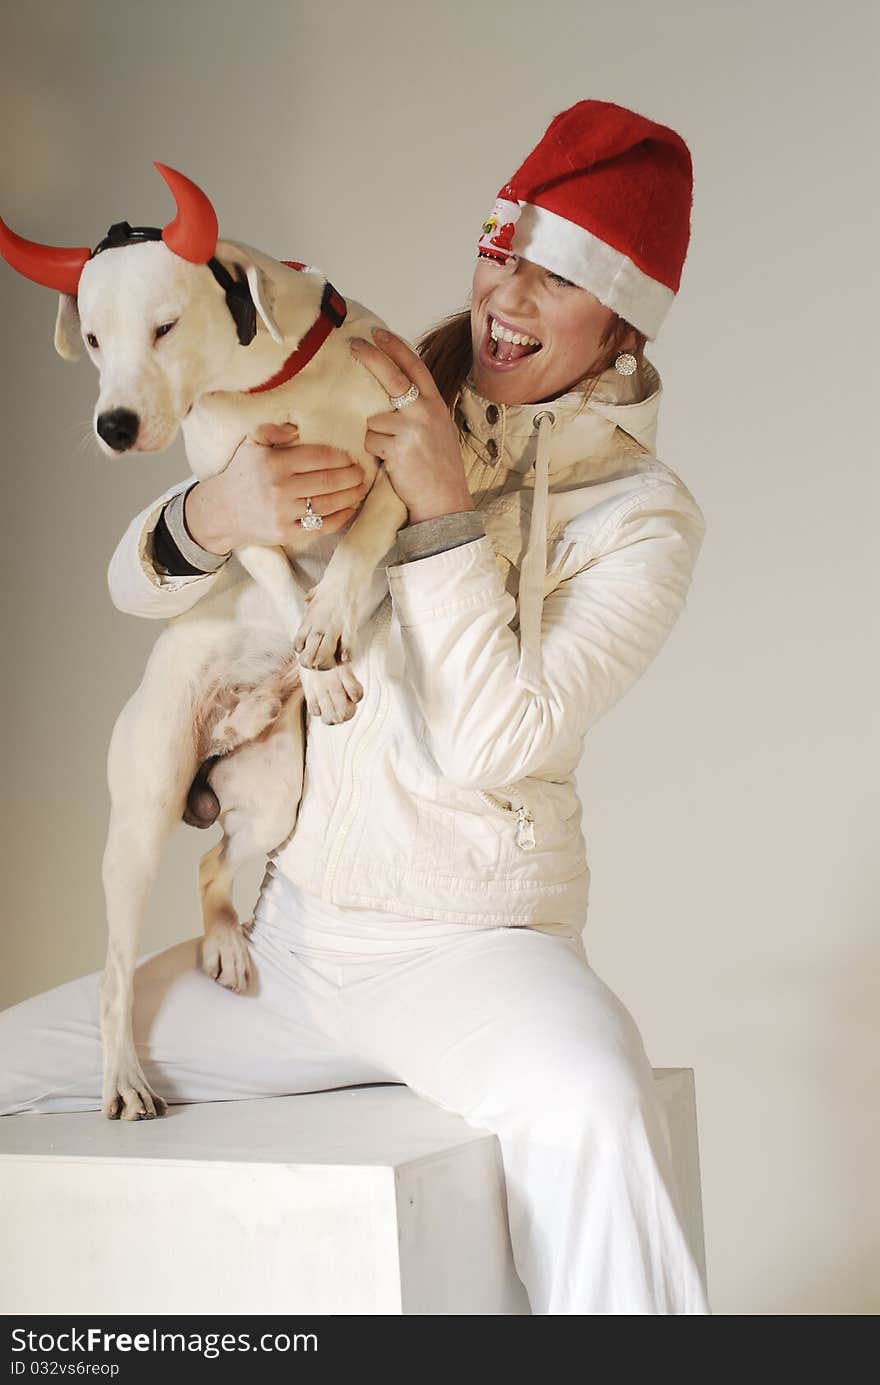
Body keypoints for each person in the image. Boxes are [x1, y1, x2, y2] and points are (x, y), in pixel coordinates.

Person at [0, 100, 711, 1315]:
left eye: (556, 280)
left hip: (472, 950)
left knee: (597, 1110)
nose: (508, 300)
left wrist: (437, 516)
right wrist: (213, 515)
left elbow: (495, 740)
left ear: (624, 318)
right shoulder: (367, 375)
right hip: (287, 949)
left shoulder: (641, 518)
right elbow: (134, 584)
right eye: (502, 254)